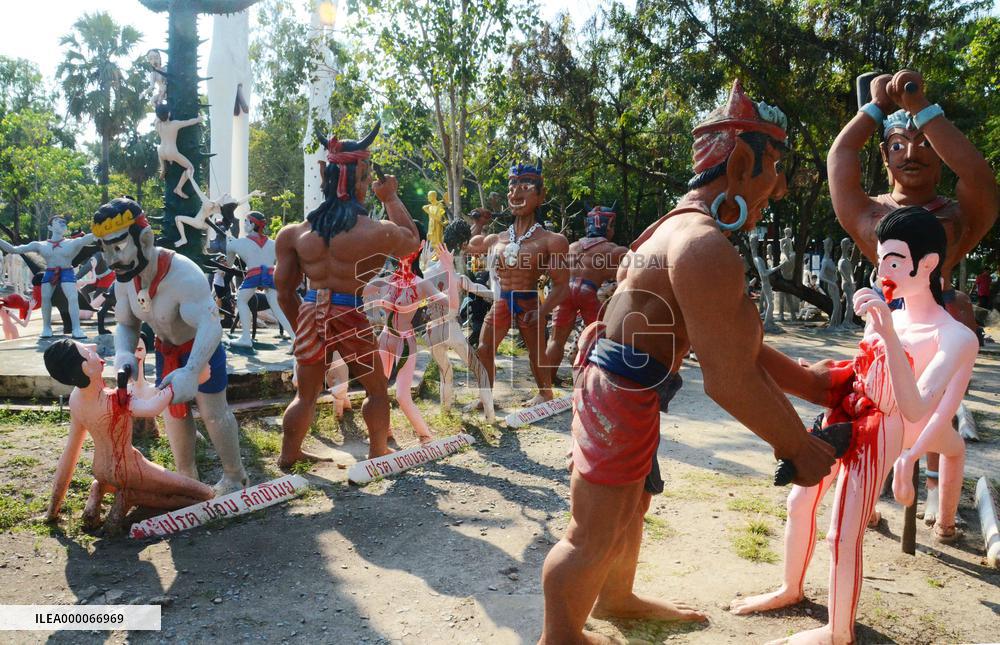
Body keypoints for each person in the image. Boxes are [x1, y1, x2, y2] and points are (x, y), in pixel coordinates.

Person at [538, 80, 838, 643]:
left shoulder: (671, 229)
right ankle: (560, 637)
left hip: (629, 384)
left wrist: (809, 386)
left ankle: (617, 598)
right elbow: (729, 378)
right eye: (773, 169)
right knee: (591, 531)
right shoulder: (702, 246)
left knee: (632, 503)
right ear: (743, 160)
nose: (775, 189)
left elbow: (727, 345)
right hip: (621, 388)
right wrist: (796, 445)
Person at [730, 207, 978, 644]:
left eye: (895, 261)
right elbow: (864, 368)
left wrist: (888, 332)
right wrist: (829, 368)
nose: (884, 270)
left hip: (884, 428)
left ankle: (838, 630)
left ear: (928, 264)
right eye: (882, 259)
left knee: (842, 532)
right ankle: (790, 588)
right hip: (847, 411)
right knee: (798, 502)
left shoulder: (954, 336)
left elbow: (916, 407)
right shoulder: (889, 312)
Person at [828, 68, 998, 525]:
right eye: (900, 144)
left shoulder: (957, 216)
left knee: (938, 418)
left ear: (942, 156)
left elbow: (979, 178)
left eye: (925, 143)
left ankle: (939, 512)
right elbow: (841, 156)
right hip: (889, 331)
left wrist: (922, 110)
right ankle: (871, 501)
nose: (913, 153)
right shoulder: (873, 213)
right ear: (884, 155)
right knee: (878, 414)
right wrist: (875, 109)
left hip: (940, 326)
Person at [275, 121, 419, 468]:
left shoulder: (294, 234)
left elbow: (283, 293)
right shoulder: (375, 231)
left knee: (305, 394)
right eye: (367, 178)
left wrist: (305, 329)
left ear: (326, 175)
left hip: (311, 310)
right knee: (375, 389)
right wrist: (392, 198)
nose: (369, 186)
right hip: (350, 311)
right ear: (359, 177)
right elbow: (412, 243)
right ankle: (377, 453)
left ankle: (288, 457)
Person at [94, 197, 249, 495]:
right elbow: (126, 323)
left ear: (145, 239)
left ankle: (235, 475)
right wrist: (125, 353)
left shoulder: (183, 275)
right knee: (173, 415)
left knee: (213, 412)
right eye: (104, 249)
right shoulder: (125, 281)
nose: (111, 259)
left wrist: (192, 371)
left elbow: (210, 324)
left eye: (118, 247)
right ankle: (186, 479)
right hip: (167, 350)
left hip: (200, 349)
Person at [42, 339, 214, 532]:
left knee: (143, 484)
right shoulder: (115, 400)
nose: (94, 348)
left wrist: (52, 509)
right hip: (128, 469)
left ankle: (99, 489)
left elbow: (70, 453)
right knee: (203, 493)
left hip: (101, 470)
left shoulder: (76, 399)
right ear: (86, 368)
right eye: (88, 352)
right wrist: (190, 379)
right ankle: (130, 497)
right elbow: (151, 408)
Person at [465, 162, 570, 406]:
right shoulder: (498, 238)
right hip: (504, 299)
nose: (515, 193)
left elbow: (562, 286)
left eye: (525, 187)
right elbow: (470, 245)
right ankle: (486, 397)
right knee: (484, 347)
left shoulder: (551, 240)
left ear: (541, 195)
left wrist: (542, 311)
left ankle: (545, 393)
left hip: (529, 301)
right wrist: (478, 223)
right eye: (512, 187)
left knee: (536, 353)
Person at [544, 205, 628, 385]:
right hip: (588, 291)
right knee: (600, 337)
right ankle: (595, 381)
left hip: (565, 291)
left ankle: (546, 381)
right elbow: (626, 278)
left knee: (556, 340)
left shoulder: (571, 247)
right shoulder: (613, 250)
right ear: (609, 225)